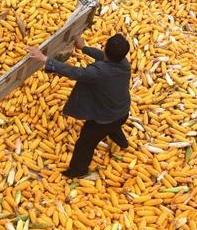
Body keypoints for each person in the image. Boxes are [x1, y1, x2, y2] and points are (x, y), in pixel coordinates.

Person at [26, 34, 131, 179]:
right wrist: (84, 48)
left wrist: (44, 59)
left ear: (106, 50)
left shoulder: (99, 72)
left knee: (85, 143)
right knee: (114, 124)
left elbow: (75, 72)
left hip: (105, 118)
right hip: (122, 110)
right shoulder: (124, 63)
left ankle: (77, 171)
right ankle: (123, 143)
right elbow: (102, 56)